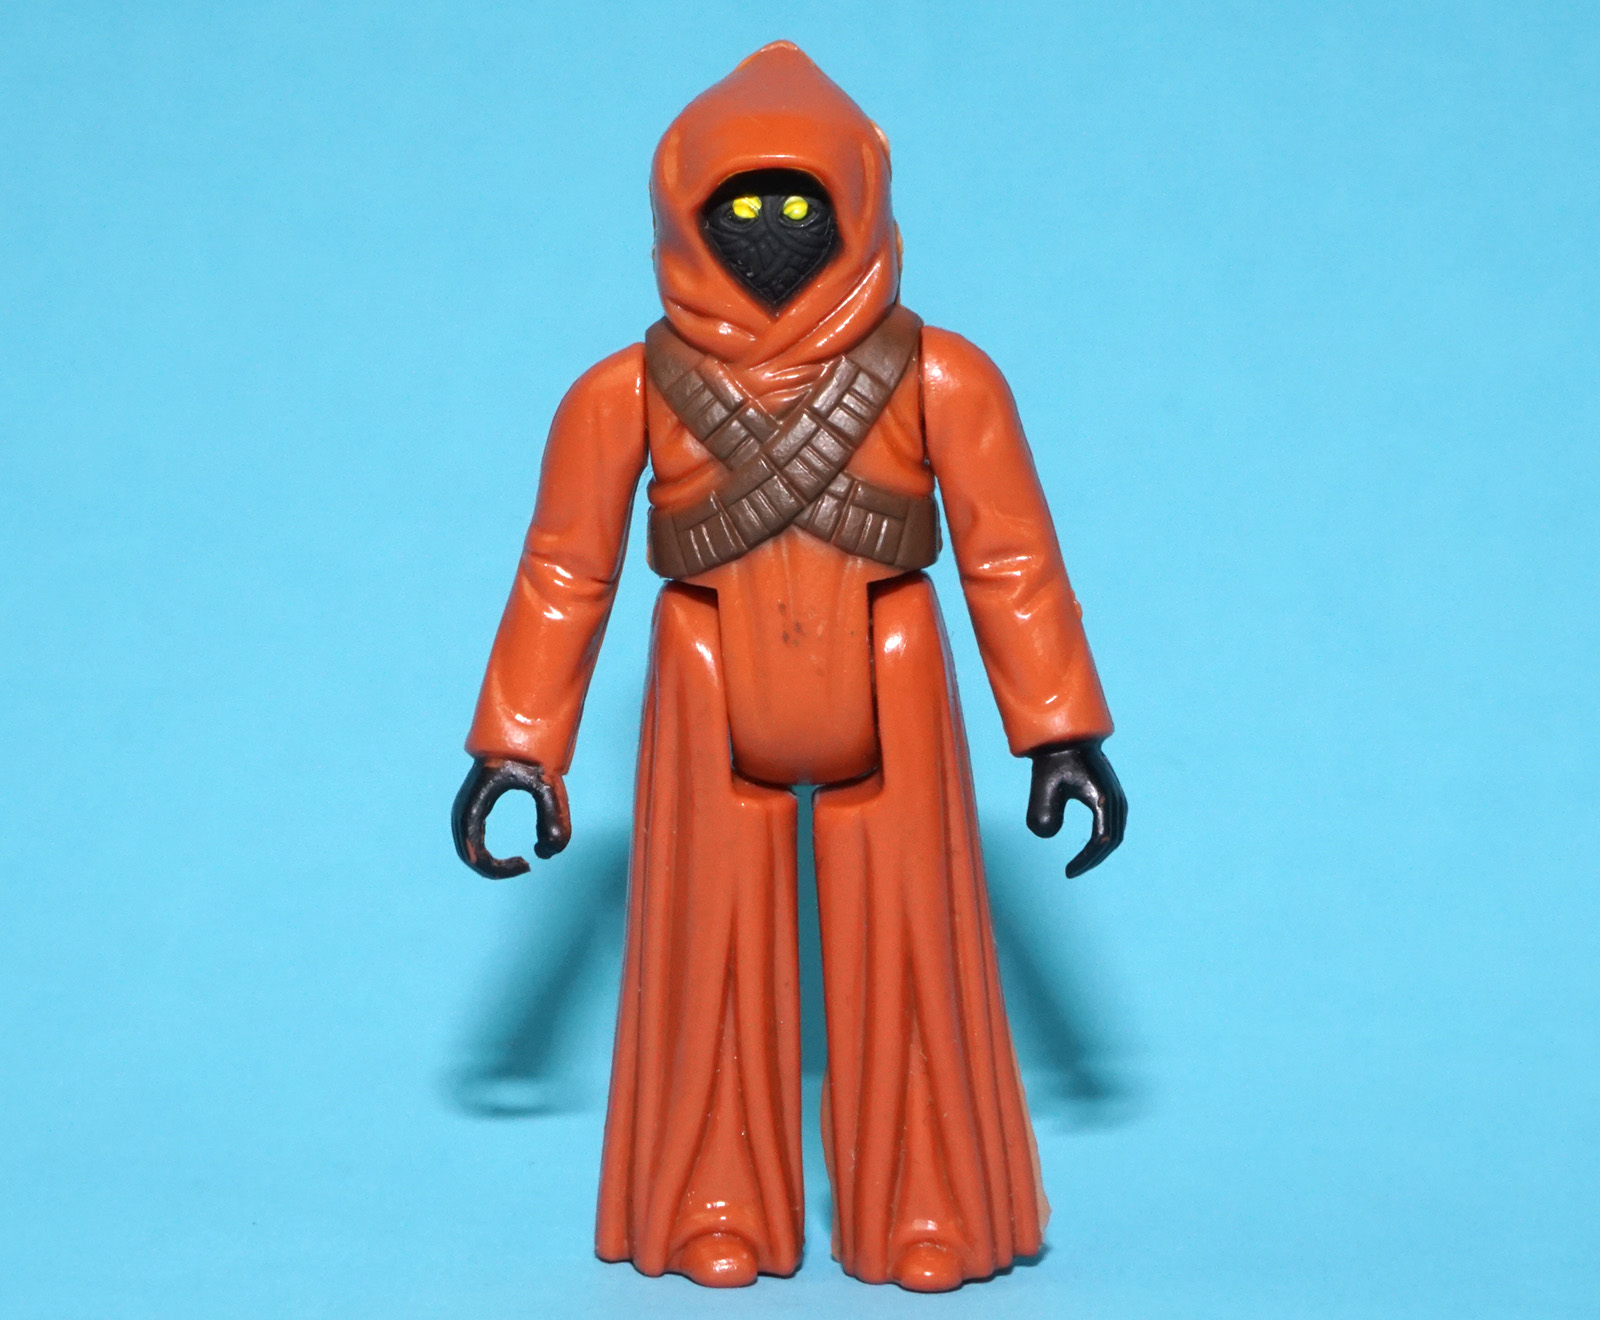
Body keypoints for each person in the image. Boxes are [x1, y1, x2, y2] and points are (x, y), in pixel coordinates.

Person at [451, 41, 1127, 1292]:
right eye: (741, 204)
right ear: (682, 208)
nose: (769, 231)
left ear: (858, 200)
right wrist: (518, 744)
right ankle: (711, 1203)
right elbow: (564, 571)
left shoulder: (941, 377)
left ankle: (926, 1203)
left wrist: (1059, 730)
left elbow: (1012, 560)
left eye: (798, 201)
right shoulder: (623, 391)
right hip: (705, 672)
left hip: (890, 667)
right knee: (705, 957)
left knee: (913, 954)